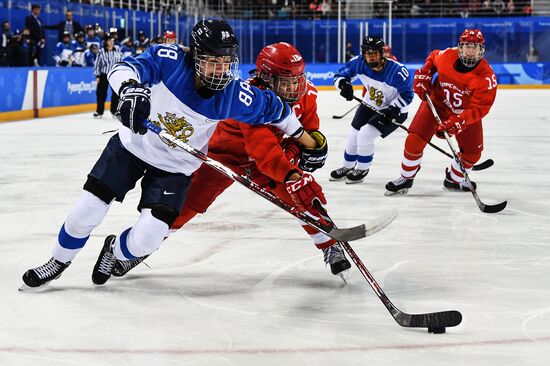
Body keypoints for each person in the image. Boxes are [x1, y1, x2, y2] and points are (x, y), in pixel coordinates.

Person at [20, 19, 321, 290]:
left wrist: (307, 139)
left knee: (149, 237)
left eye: (226, 62)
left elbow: (278, 111)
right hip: (132, 148)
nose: (221, 70)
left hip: (175, 168)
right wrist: (129, 90)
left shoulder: (234, 94)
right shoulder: (170, 60)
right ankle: (58, 261)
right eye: (213, 61)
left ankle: (115, 250)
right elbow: (123, 69)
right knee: (87, 209)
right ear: (195, 56)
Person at [111, 42, 350, 280]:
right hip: (225, 157)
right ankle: (137, 249)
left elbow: (308, 131)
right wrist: (293, 174)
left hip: (266, 159)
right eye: (285, 82)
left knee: (299, 194)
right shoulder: (251, 100)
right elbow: (264, 151)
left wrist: (301, 154)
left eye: (297, 80)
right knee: (185, 208)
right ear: (266, 78)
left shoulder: (306, 93)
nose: (293, 88)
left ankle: (329, 242)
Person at [385, 29, 497, 195]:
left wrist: (457, 122)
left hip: (464, 115)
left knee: (473, 154)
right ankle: (406, 178)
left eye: (475, 47)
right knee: (413, 140)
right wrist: (424, 74)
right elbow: (432, 58)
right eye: (467, 46)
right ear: (460, 47)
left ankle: (454, 179)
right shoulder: (446, 56)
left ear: (482, 50)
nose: (470, 50)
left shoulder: (486, 78)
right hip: (436, 104)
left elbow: (479, 108)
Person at [330, 36, 413, 184]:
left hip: (394, 109)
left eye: (374, 53)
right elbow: (339, 75)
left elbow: (407, 95)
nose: (371, 56)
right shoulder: (359, 63)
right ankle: (347, 167)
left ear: (382, 53)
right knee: (353, 134)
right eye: (367, 53)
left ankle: (362, 168)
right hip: (371, 103)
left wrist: (394, 109)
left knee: (365, 135)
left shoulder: (397, 71)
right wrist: (343, 85)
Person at [93, 32, 122, 118]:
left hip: (115, 75)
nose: (111, 42)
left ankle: (114, 111)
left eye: (112, 40)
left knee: (116, 94)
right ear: (105, 42)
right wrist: (97, 76)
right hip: (104, 75)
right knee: (101, 94)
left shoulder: (117, 50)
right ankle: (99, 112)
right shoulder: (101, 52)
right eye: (109, 40)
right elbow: (97, 64)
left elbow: (120, 62)